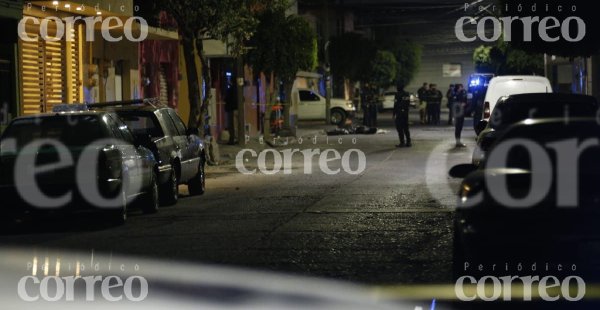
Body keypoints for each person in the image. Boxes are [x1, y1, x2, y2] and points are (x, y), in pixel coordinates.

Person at [393, 83, 411, 147]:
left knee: (400, 128)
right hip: (405, 113)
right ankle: (408, 142)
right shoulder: (407, 94)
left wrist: (394, 113)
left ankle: (402, 142)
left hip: (399, 113)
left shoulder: (397, 94)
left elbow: (395, 104)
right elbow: (407, 103)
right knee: (406, 127)